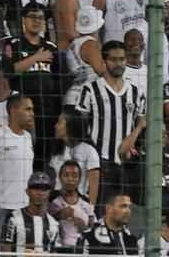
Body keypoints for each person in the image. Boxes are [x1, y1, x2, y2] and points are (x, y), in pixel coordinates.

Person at [77, 40, 145, 204]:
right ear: (104, 61)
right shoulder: (90, 89)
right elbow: (80, 128)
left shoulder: (136, 92)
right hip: (100, 165)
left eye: (122, 59)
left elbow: (141, 124)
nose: (119, 63)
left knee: (122, 214)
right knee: (98, 212)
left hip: (125, 166)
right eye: (113, 59)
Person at [3, 1, 59, 165]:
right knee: (22, 155)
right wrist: (36, 58)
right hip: (21, 111)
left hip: (47, 112)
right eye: (32, 17)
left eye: (41, 18)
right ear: (23, 20)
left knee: (43, 156)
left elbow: (59, 79)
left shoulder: (51, 47)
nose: (37, 21)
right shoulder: (11, 44)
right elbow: (8, 71)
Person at [0, 95, 34, 251]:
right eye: (28, 109)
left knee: (22, 251)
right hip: (0, 207)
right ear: (13, 111)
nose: (32, 113)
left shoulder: (28, 137)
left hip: (23, 208)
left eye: (32, 109)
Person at [0, 171, 59, 255]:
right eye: (36, 188)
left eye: (44, 189)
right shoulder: (13, 218)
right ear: (27, 191)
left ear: (49, 193)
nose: (40, 193)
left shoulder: (53, 224)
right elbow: (5, 251)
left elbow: (54, 252)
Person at [49, 113, 100, 209]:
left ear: (70, 127)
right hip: (56, 204)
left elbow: (94, 187)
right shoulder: (57, 149)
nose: (55, 126)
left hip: (79, 205)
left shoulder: (89, 151)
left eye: (60, 123)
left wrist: (90, 212)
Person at [63, 6, 106, 109]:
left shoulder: (74, 43)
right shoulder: (91, 44)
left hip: (73, 97)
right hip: (83, 100)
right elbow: (102, 71)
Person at [76, 192, 141, 255]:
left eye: (129, 207)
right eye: (123, 206)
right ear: (109, 208)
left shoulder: (132, 239)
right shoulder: (89, 237)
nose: (128, 211)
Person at [48, 160, 94, 249]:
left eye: (74, 176)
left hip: (81, 249)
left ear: (80, 179)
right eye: (66, 175)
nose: (70, 179)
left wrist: (84, 227)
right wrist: (58, 216)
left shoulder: (86, 201)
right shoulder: (51, 198)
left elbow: (92, 228)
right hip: (58, 249)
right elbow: (42, 221)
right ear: (60, 177)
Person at [123, 29, 147, 97]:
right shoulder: (119, 70)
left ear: (144, 45)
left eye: (140, 40)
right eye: (132, 39)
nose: (136, 42)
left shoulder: (149, 71)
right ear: (124, 44)